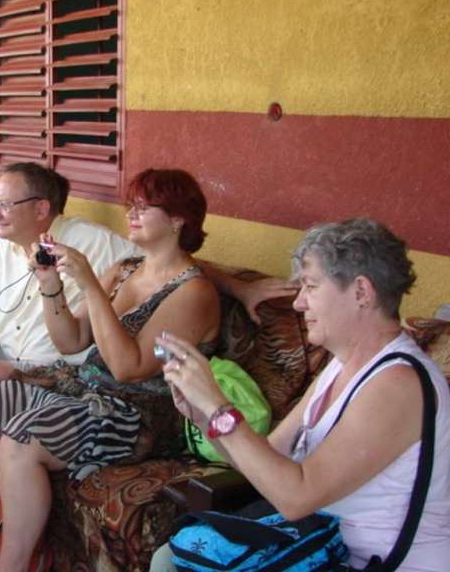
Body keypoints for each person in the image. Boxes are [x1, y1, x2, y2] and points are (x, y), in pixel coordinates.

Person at [0, 168, 222, 571]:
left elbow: (127, 368)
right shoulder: (126, 270)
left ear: (178, 219)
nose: (132, 213)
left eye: (145, 206)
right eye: (131, 205)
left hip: (138, 414)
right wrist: (50, 283)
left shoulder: (193, 291)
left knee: (22, 439)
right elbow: (71, 340)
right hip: (87, 388)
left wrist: (88, 285)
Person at [150, 218, 450, 572]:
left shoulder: (398, 384)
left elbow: (296, 499)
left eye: (310, 287)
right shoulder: (340, 367)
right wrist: (201, 413)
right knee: (170, 556)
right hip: (318, 550)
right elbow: (266, 457)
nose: (298, 303)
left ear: (361, 293)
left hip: (372, 562)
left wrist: (218, 407)